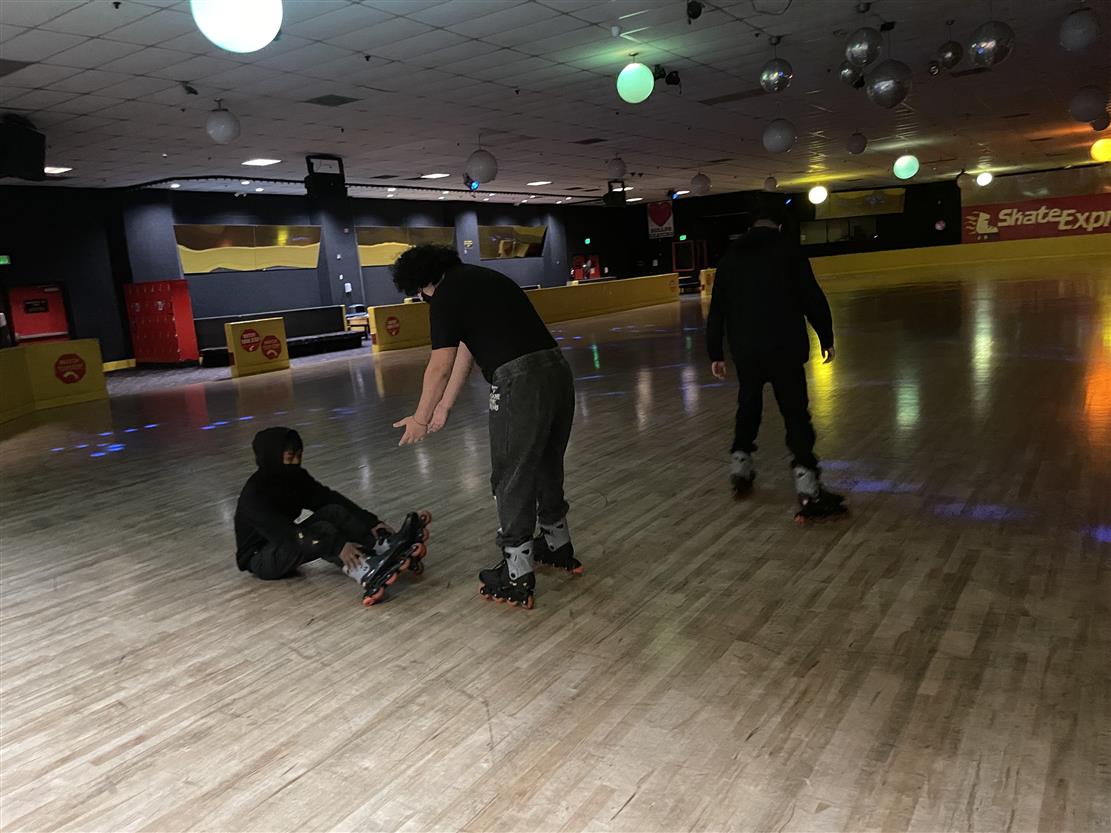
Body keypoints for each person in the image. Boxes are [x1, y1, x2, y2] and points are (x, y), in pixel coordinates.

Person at [390, 245, 579, 610]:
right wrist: (443, 407)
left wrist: (420, 418)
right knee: (546, 463)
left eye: (419, 293)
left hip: (519, 383)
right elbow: (466, 351)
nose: (422, 298)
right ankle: (557, 544)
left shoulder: (445, 296)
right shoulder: (484, 279)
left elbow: (440, 366)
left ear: (424, 282)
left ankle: (517, 574)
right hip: (556, 371)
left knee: (511, 474)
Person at [706, 207, 847, 522]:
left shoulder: (731, 257)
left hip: (747, 351)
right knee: (795, 414)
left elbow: (717, 310)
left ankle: (740, 465)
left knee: (748, 403)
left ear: (751, 224)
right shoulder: (790, 252)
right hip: (785, 348)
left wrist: (715, 352)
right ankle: (808, 488)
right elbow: (812, 297)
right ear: (779, 225)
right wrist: (826, 336)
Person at [234, 426, 429, 605]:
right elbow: (289, 535)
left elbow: (329, 499)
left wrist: (372, 522)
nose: (296, 462)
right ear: (272, 459)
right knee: (322, 531)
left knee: (333, 512)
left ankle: (380, 547)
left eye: (299, 456)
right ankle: (364, 570)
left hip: (286, 541)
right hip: (262, 558)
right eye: (290, 457)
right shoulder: (254, 496)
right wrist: (338, 546)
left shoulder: (295, 479)